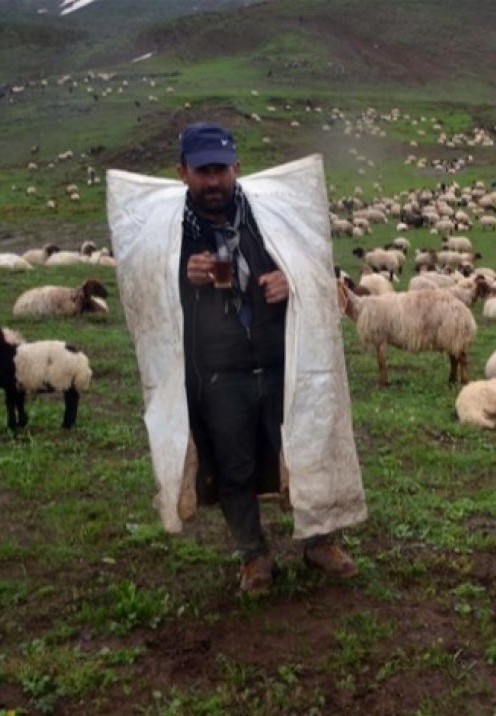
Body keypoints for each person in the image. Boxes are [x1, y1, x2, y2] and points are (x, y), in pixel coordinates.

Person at [174, 123, 359, 596]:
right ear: (183, 173)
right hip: (219, 373)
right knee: (233, 466)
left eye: (221, 169)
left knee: (306, 448)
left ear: (237, 168)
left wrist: (289, 283)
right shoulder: (171, 232)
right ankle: (252, 555)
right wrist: (182, 273)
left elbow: (315, 272)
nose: (214, 181)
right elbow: (150, 305)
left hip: (281, 361)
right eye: (203, 171)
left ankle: (320, 540)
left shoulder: (269, 217)